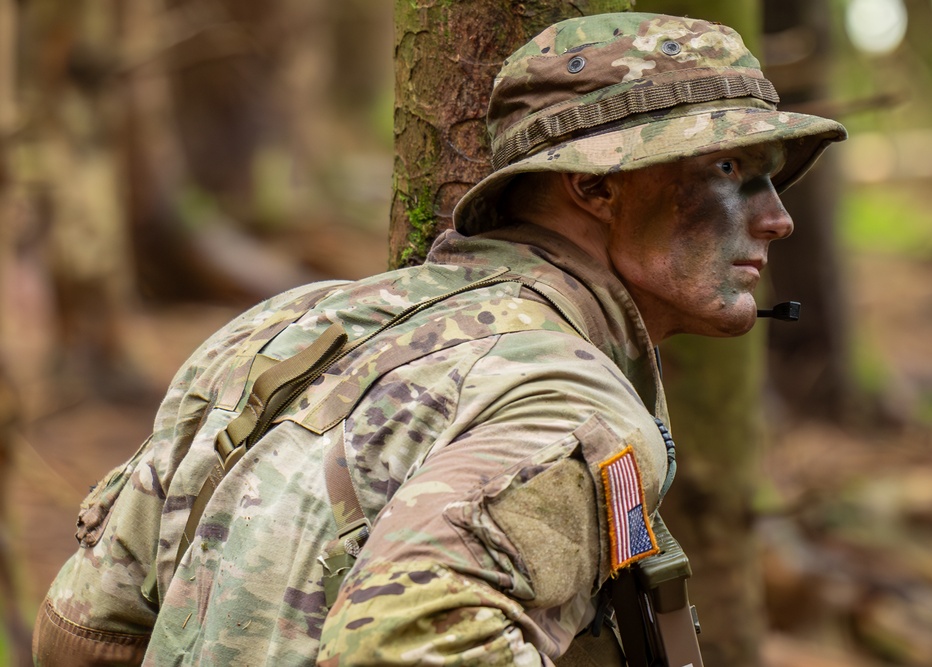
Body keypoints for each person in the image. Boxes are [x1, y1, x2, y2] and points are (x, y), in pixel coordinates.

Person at [32, 12, 845, 667]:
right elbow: (408, 642)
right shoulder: (572, 407)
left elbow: (82, 628)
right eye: (731, 172)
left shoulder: (297, 325)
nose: (777, 218)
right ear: (596, 185)